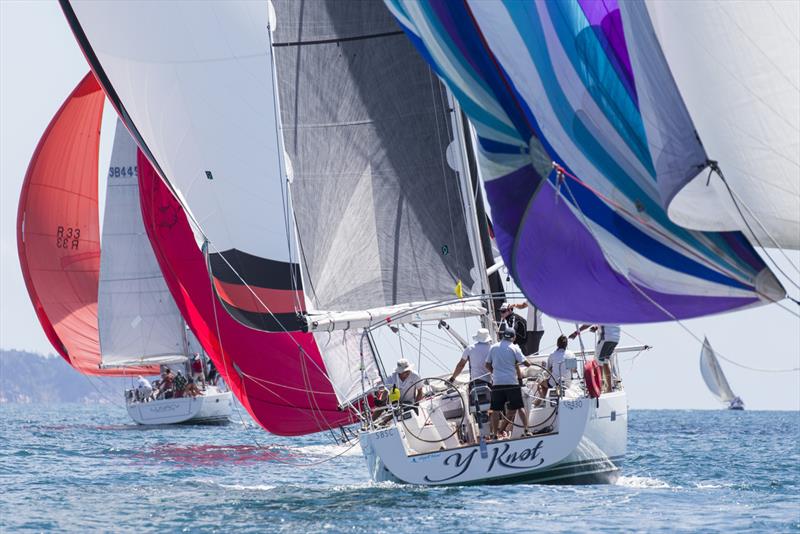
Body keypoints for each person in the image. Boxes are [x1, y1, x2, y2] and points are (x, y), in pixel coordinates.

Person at [485, 328, 527, 439]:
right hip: (511, 383)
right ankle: (527, 430)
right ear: (514, 337)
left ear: (503, 336)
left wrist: (495, 372)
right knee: (519, 407)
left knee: (495, 410)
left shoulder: (493, 347)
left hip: (497, 383)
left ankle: (495, 434)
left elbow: (487, 365)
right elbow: (526, 363)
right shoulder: (514, 348)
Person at [570, 324, 620, 393]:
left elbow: (588, 323)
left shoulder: (600, 312)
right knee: (605, 361)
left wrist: (576, 332)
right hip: (615, 338)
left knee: (598, 362)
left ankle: (600, 387)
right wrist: (596, 326)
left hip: (606, 338)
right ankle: (609, 388)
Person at [537, 335, 574, 403]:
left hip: (555, 384)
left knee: (540, 383)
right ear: (566, 344)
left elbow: (548, 370)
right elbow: (574, 370)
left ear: (557, 344)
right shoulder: (571, 354)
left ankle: (543, 399)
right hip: (568, 383)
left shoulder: (553, 355)